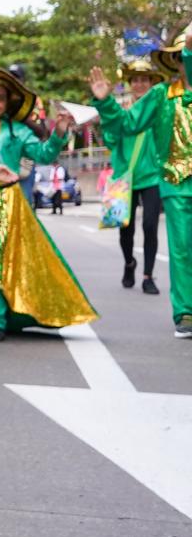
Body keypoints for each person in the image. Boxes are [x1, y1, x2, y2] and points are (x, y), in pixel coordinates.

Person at [0, 63, 97, 341]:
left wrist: (59, 132)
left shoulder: (17, 132)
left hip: (8, 204)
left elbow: (44, 155)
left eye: (1, 98)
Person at [90, 26, 192, 338]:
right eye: (184, 56)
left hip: (153, 179)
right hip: (173, 183)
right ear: (176, 62)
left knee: (153, 230)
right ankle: (185, 312)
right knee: (180, 248)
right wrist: (106, 102)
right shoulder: (161, 96)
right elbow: (125, 125)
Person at [99, 58, 165, 294]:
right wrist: (113, 121)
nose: (140, 84)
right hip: (123, 177)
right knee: (125, 229)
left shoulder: (159, 110)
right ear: (130, 84)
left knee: (150, 225)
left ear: (151, 83)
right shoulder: (120, 111)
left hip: (152, 176)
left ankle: (148, 276)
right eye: (135, 80)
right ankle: (129, 263)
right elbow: (110, 140)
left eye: (144, 79)